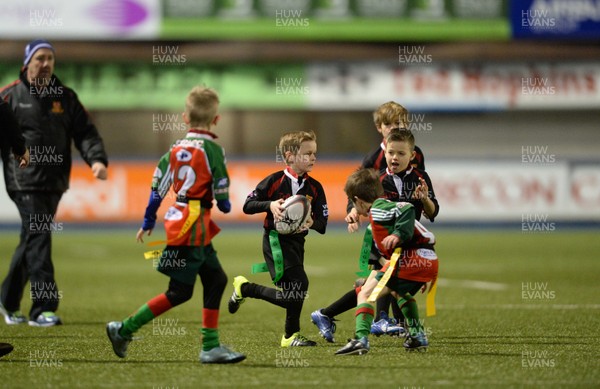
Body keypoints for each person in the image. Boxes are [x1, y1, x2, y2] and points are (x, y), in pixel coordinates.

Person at [106, 86, 245, 364]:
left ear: (185, 118)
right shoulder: (214, 150)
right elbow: (222, 188)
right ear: (216, 120)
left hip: (182, 218)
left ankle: (210, 346)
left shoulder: (174, 149)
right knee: (180, 291)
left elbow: (157, 186)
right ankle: (125, 328)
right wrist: (224, 203)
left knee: (216, 279)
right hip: (193, 225)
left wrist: (148, 219)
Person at [0, 39, 108, 327]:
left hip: (55, 181)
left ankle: (8, 302)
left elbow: (85, 133)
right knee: (39, 238)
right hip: (23, 180)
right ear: (27, 63)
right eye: (40, 58)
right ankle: (42, 309)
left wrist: (96, 160)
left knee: (32, 240)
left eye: (50, 58)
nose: (46, 63)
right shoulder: (10, 96)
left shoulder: (66, 97)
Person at [311, 129, 439, 341]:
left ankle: (328, 315)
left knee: (384, 288)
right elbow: (358, 199)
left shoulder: (421, 178)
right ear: (385, 152)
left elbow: (433, 212)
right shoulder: (378, 179)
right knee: (383, 287)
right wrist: (352, 211)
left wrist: (425, 200)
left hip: (408, 244)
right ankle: (387, 325)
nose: (394, 157)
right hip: (385, 242)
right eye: (390, 152)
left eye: (400, 153)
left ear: (412, 156)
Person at [228, 130, 328, 347]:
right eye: (308, 153)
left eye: (314, 154)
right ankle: (290, 336)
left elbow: (323, 224)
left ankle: (246, 289)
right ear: (290, 156)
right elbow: (247, 205)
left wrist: (311, 223)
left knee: (294, 293)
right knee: (300, 285)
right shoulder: (273, 181)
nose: (313, 158)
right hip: (275, 242)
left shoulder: (315, 188)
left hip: (297, 245)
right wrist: (270, 205)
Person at [335, 168, 439, 355]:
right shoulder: (382, 210)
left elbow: (407, 208)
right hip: (426, 259)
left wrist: (399, 234)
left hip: (412, 259)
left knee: (365, 294)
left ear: (358, 200)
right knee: (399, 293)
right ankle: (417, 336)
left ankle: (360, 339)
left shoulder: (378, 209)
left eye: (353, 202)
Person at [345, 101, 426, 327]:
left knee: (395, 275)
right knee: (390, 273)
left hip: (406, 225)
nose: (393, 127)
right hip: (382, 226)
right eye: (388, 124)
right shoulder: (373, 159)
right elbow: (357, 187)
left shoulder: (416, 154)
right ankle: (384, 319)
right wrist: (352, 210)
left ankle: (392, 321)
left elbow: (420, 181)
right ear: (379, 128)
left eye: (398, 123)